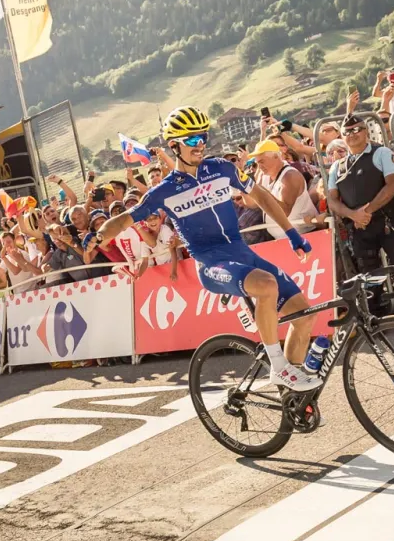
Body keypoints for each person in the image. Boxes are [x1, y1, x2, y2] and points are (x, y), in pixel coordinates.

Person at [95, 106, 317, 391]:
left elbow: (260, 195)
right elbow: (123, 220)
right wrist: (98, 236)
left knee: (305, 315)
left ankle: (291, 393)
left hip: (241, 253)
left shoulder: (221, 169)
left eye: (202, 136)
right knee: (266, 284)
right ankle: (278, 366)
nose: (199, 143)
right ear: (173, 145)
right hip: (211, 264)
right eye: (190, 140)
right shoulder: (164, 191)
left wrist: (290, 232)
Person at [326, 114, 394, 318]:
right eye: (347, 132)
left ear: (366, 131)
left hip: (387, 222)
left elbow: (393, 185)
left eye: (357, 129)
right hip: (359, 228)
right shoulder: (336, 167)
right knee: (368, 276)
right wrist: (353, 215)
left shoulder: (381, 153)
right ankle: (376, 317)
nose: (353, 134)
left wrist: (366, 211)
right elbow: (332, 200)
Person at [252, 140, 318, 241]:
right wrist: (242, 188)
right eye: (257, 163)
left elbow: (285, 212)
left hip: (305, 235)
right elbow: (252, 204)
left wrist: (262, 192)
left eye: (262, 161)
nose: (259, 167)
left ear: (276, 157)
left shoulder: (290, 176)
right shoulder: (264, 176)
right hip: (282, 238)